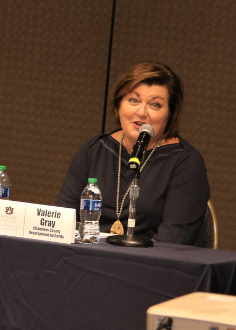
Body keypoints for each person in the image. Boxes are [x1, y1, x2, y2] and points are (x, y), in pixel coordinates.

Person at [56, 62, 209, 245]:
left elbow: (173, 242)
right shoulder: (94, 150)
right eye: (133, 100)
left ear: (169, 114)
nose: (141, 112)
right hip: (87, 261)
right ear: (119, 104)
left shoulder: (186, 162)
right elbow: (61, 224)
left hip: (149, 267)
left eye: (155, 104)